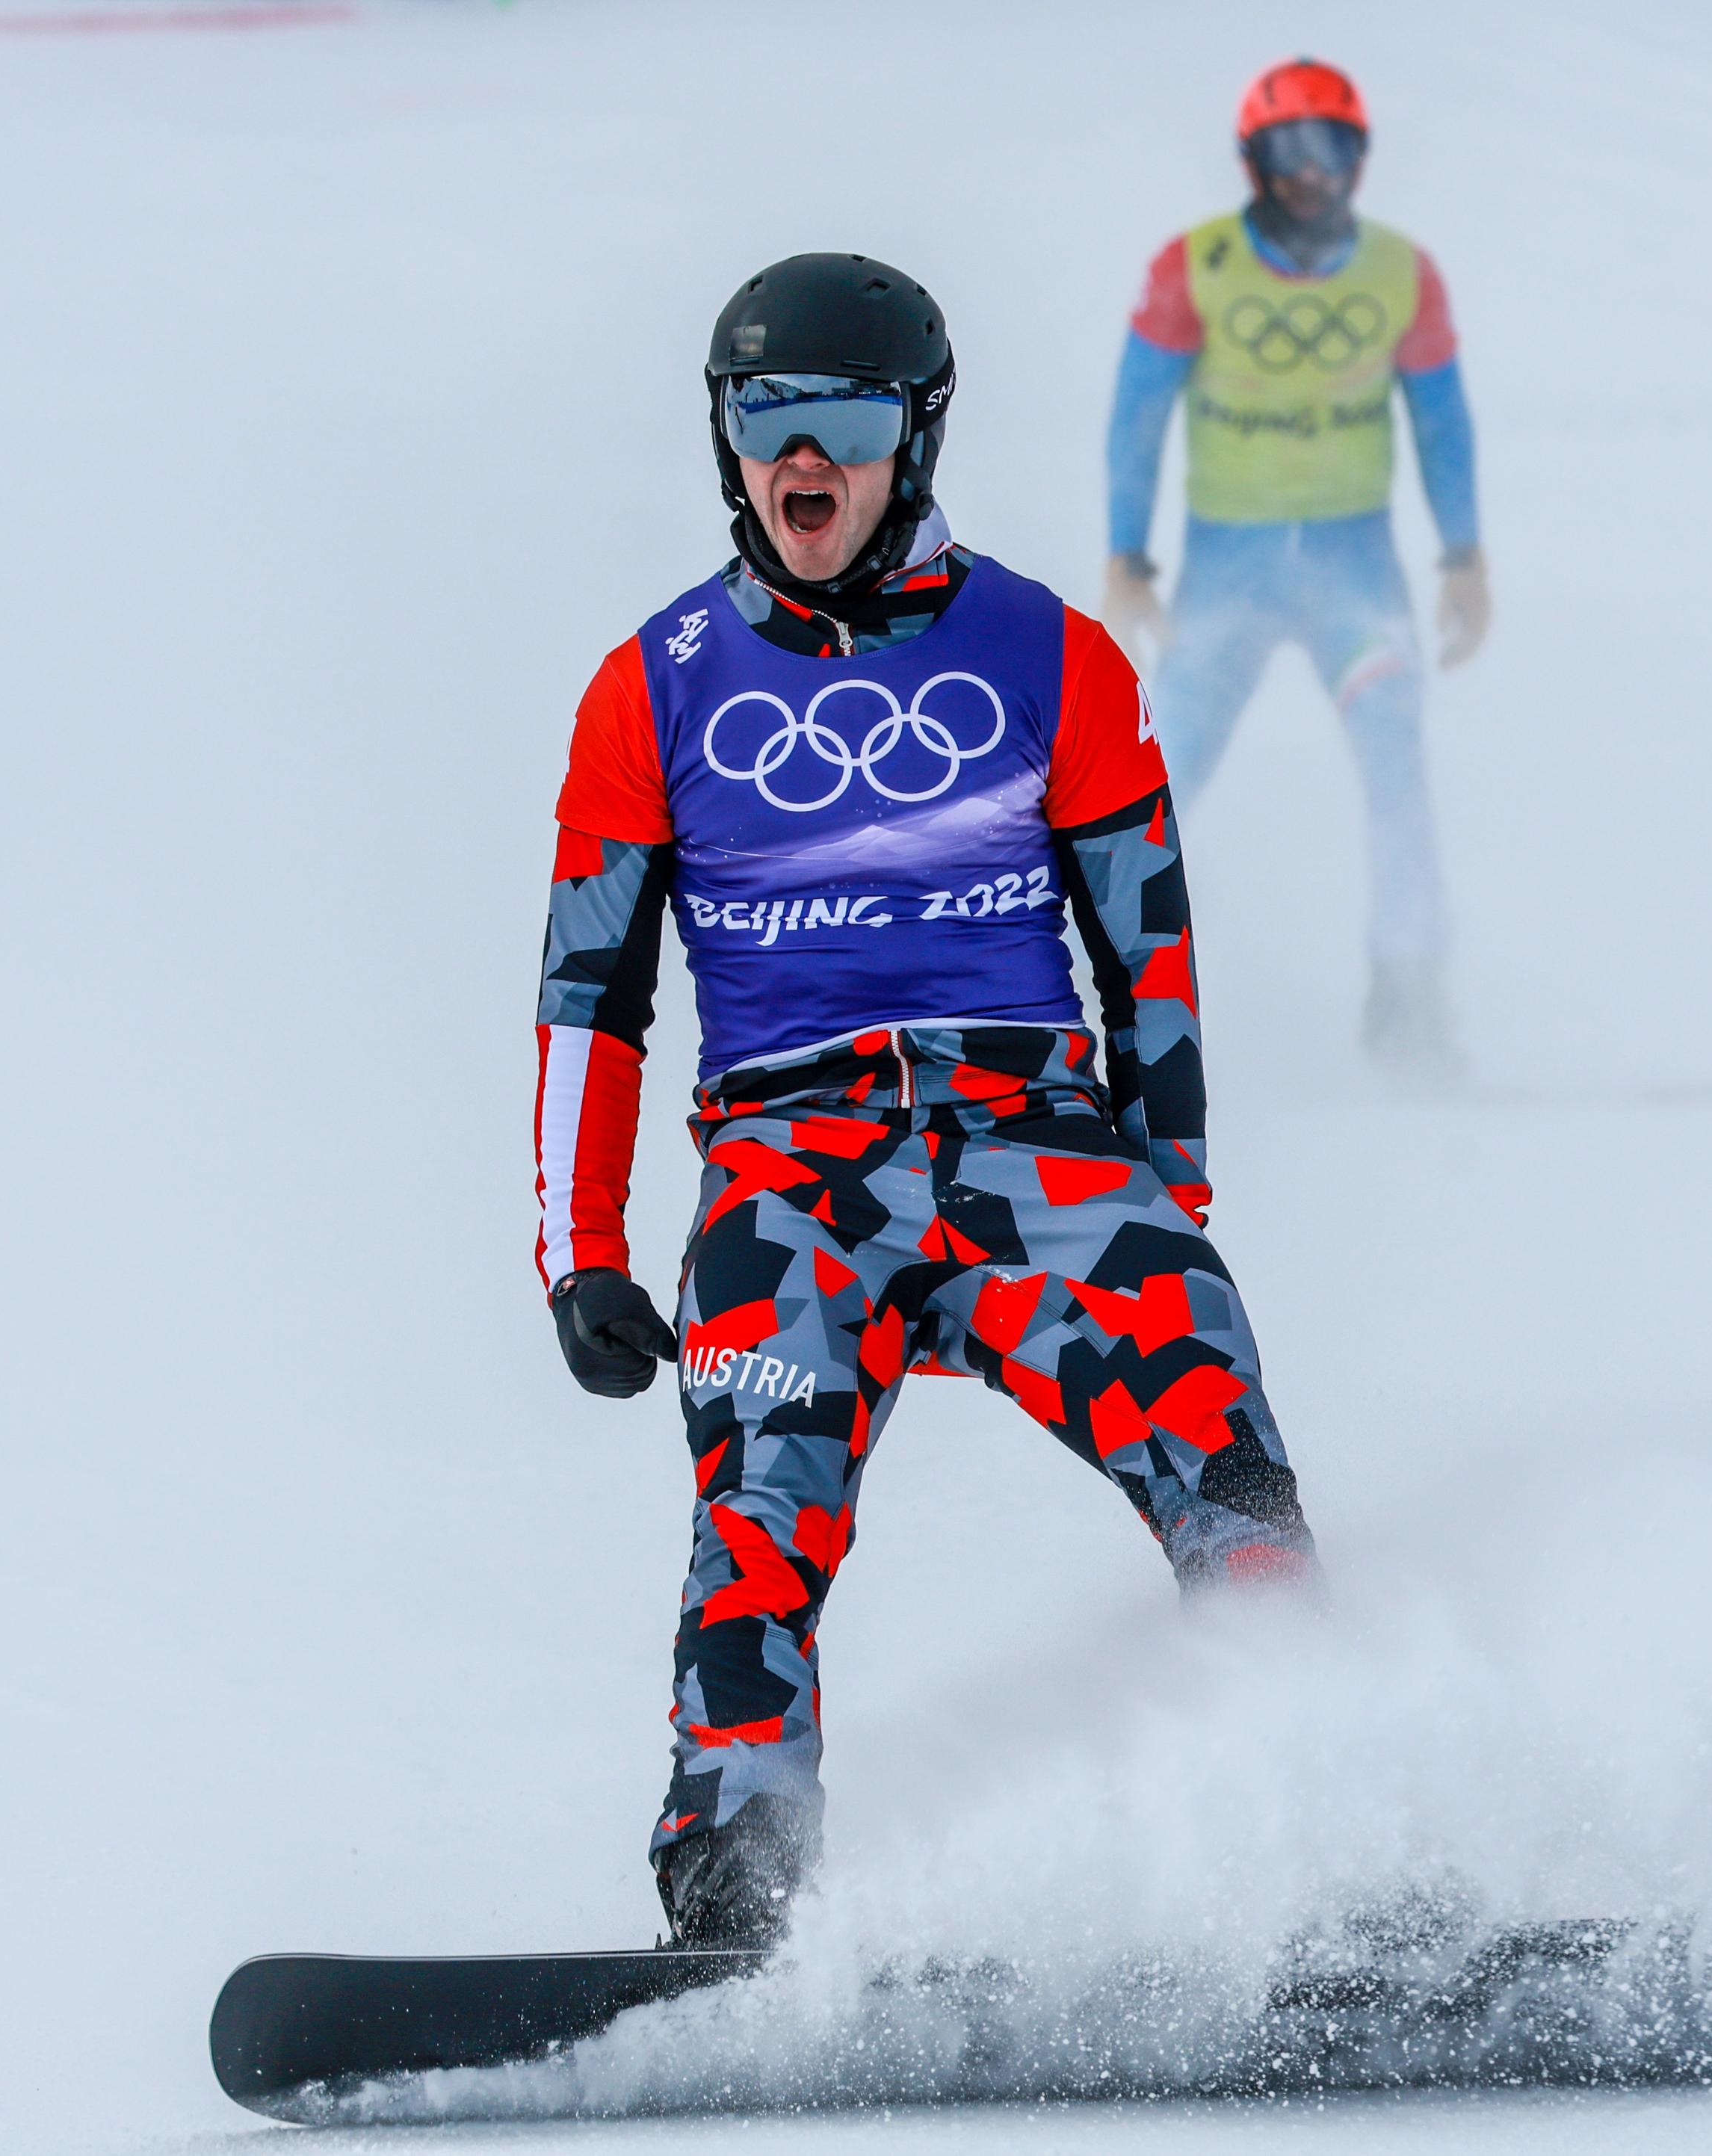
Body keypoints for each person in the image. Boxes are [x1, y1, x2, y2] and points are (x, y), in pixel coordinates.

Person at [533, 254, 1321, 1950]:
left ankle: (1326, 1824)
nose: (798, 460)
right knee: (757, 1500)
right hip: (789, 1166)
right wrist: (578, 1249)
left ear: (918, 437)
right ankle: (738, 1895)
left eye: (844, 419)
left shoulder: (1048, 652)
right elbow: (589, 993)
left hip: (1031, 1142)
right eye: (763, 417)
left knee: (1218, 1440)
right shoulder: (650, 685)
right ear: (725, 439)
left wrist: (1166, 1185)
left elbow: (1147, 942)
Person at [1104, 57, 1488, 1077]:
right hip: (1226, 577)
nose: (1311, 175)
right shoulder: (1193, 267)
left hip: (1354, 575)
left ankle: (1408, 991)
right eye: (1289, 153)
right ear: (1253, 160)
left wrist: (1463, 555)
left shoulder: (1400, 272)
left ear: (1359, 159)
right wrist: (1125, 556)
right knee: (1160, 777)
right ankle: (1105, 998)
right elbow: (1136, 418)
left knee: (1394, 759)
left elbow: (1441, 419)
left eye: (1332, 152)